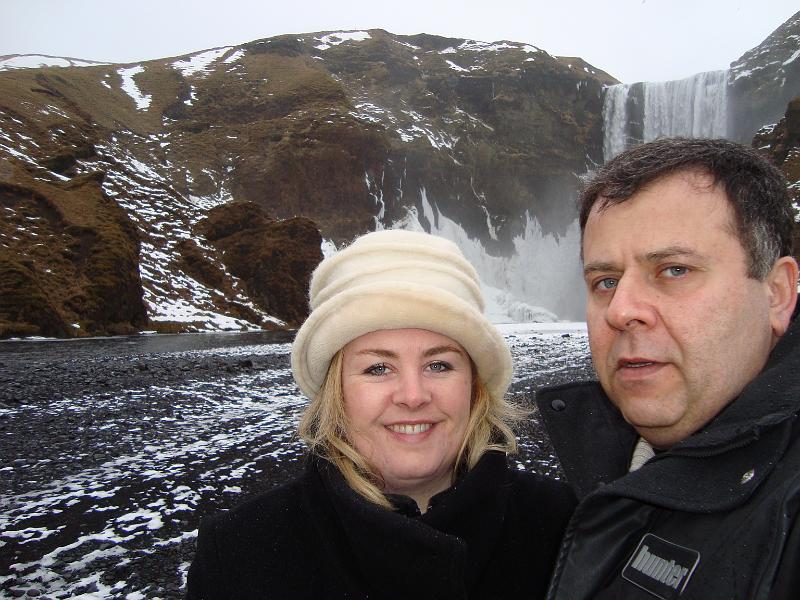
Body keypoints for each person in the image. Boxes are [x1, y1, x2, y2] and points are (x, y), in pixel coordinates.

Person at [186, 229, 576, 600]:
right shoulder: (240, 552)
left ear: (474, 386)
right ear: (335, 392)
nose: (413, 396)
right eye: (377, 368)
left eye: (439, 365)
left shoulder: (566, 525)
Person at [536, 137, 800, 599]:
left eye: (674, 270)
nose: (621, 310)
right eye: (606, 281)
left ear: (777, 293)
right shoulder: (584, 476)